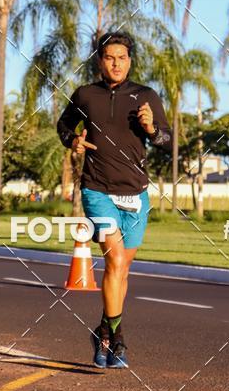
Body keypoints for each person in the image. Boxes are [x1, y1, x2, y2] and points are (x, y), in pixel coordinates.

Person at [57, 32, 172, 369]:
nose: (116, 63)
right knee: (115, 262)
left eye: (122, 57)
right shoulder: (86, 95)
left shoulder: (145, 96)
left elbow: (166, 138)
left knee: (121, 273)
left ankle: (103, 330)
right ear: (100, 61)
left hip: (136, 193)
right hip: (97, 189)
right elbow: (64, 124)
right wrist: (73, 140)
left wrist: (152, 129)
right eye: (110, 57)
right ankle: (118, 340)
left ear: (130, 61)